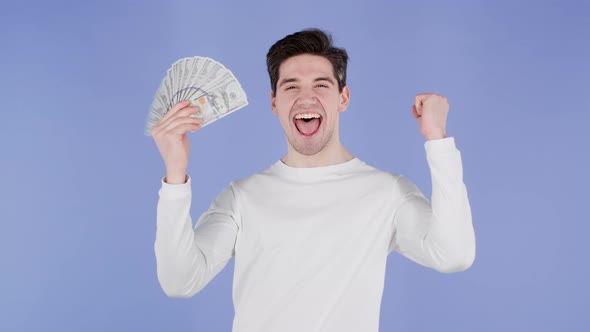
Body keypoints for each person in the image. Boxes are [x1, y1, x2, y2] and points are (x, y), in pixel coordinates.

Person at [151, 28, 476, 332]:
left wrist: (438, 141)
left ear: (343, 98)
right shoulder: (242, 196)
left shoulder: (387, 192)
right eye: (291, 86)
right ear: (275, 103)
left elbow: (454, 254)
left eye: (321, 85)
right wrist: (175, 174)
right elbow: (180, 281)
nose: (306, 98)